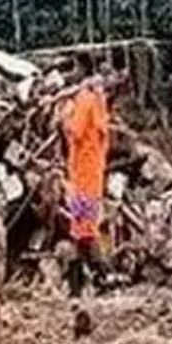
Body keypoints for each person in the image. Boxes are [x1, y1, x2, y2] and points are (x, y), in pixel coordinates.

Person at [60, 58, 112, 294]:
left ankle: (103, 274)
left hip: (82, 173)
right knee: (82, 226)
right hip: (93, 172)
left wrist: (65, 115)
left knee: (83, 227)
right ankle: (79, 283)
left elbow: (75, 131)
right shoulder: (100, 103)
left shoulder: (84, 101)